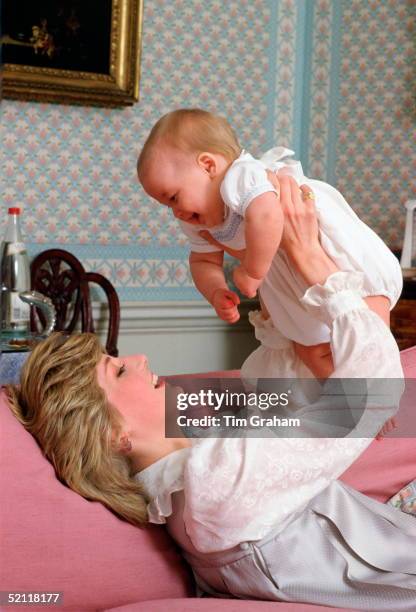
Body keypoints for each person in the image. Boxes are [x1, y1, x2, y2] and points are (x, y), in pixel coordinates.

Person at [7, 182, 415, 610]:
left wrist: (281, 307)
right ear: (115, 434)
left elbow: (277, 397)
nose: (142, 358)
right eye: (121, 369)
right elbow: (368, 397)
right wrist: (318, 270)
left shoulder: (192, 476)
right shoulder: (216, 482)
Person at [137, 108, 403, 379]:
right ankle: (350, 403)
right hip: (283, 270)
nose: (176, 213)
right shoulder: (197, 219)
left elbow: (266, 216)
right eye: (165, 205)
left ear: (208, 166)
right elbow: (202, 260)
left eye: (173, 197)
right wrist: (216, 291)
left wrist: (252, 271)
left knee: (365, 307)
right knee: (309, 342)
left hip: (324, 245)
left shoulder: (240, 177)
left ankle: (378, 384)